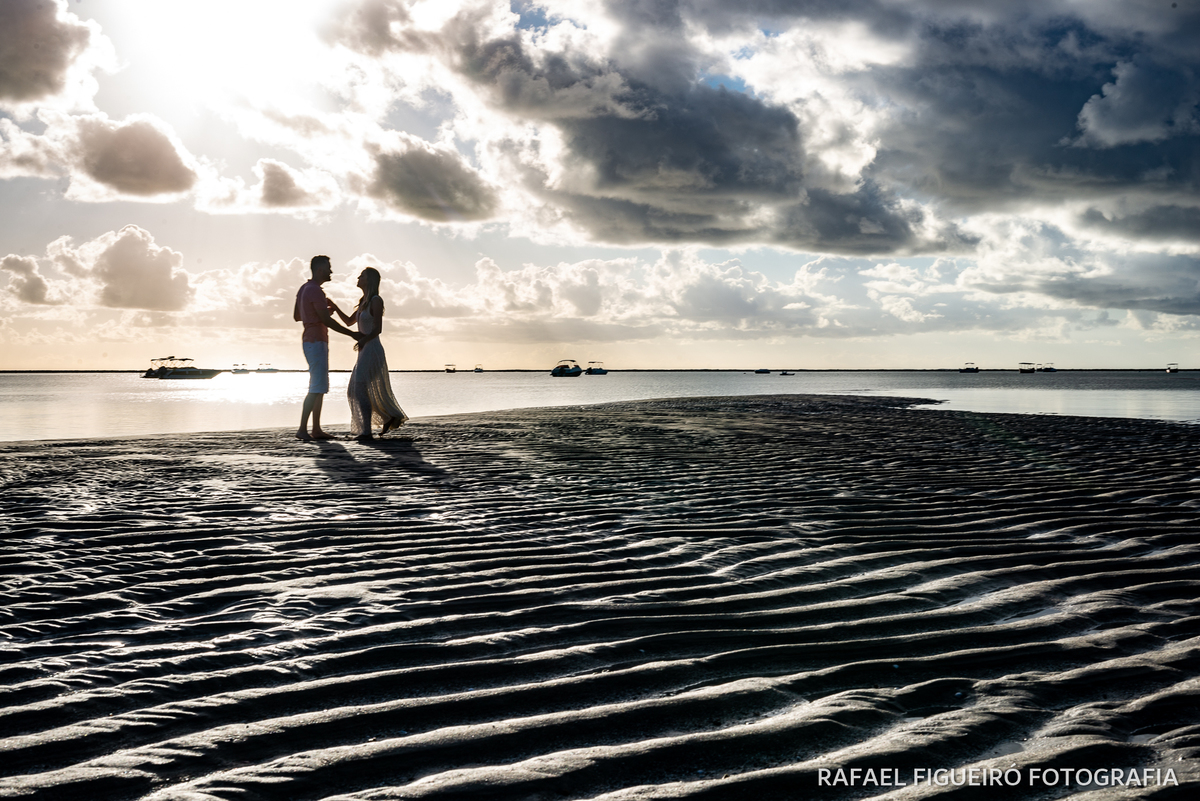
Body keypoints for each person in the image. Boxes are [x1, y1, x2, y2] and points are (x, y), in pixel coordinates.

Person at [336, 266, 407, 441]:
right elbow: (348, 322)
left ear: (369, 280)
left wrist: (362, 341)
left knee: (360, 388)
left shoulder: (376, 300)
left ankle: (366, 432)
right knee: (354, 390)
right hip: (363, 350)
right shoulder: (363, 302)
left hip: (372, 348)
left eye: (362, 276)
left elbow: (377, 329)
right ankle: (386, 417)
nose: (358, 278)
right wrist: (334, 306)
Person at [293, 255, 360, 441]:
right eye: (329, 268)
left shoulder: (304, 289)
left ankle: (315, 429)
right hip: (316, 340)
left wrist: (319, 311)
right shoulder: (315, 290)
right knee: (316, 386)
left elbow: (297, 316)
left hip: (311, 339)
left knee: (320, 385)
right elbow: (326, 320)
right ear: (320, 269)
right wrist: (352, 334)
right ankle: (302, 429)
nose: (331, 271)